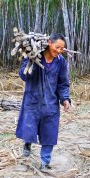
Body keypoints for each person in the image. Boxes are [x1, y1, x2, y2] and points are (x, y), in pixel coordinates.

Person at [15, 33, 71, 170]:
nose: (58, 51)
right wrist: (32, 62)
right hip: (32, 101)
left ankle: (45, 162)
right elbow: (23, 75)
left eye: (61, 49)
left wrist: (65, 99)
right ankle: (28, 143)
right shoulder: (33, 56)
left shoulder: (61, 62)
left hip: (50, 104)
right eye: (57, 47)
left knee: (49, 133)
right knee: (29, 128)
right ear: (49, 42)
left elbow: (63, 83)